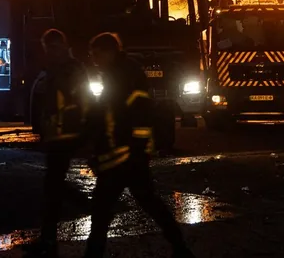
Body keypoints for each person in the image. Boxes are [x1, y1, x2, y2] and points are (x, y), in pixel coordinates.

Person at [83, 33, 193, 258]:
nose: (94, 59)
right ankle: (180, 248)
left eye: (96, 53)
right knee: (148, 204)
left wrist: (131, 148)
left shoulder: (123, 75)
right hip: (126, 156)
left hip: (125, 157)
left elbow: (137, 114)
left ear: (109, 51)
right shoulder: (118, 73)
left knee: (104, 211)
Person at [25, 29, 90, 257]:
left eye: (50, 48)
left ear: (57, 46)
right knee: (52, 186)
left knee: (53, 186)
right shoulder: (61, 68)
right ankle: (48, 240)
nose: (47, 52)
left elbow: (76, 99)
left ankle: (88, 207)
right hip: (58, 135)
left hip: (66, 136)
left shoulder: (69, 69)